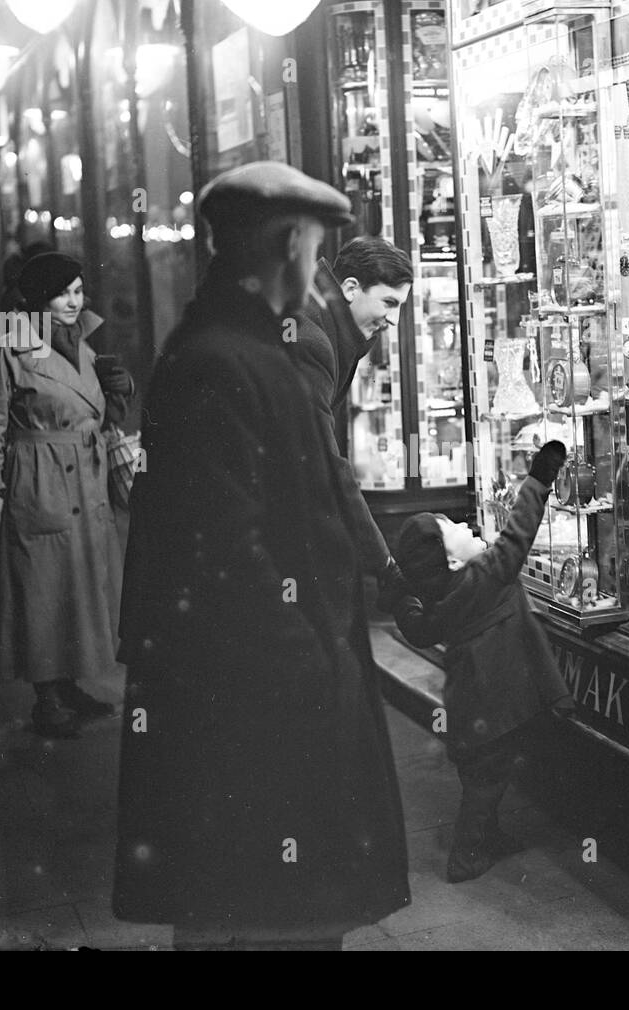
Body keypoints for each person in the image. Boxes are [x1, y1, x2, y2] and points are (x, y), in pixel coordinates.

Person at [112, 162, 411, 951]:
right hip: (263, 702)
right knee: (270, 912)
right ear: (283, 249)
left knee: (271, 906)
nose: (315, 270)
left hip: (267, 693)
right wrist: (315, 666)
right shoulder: (224, 358)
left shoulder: (240, 345)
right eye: (311, 250)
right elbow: (226, 550)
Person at [392, 441, 575, 883]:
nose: (465, 521)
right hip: (495, 708)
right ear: (452, 559)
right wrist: (539, 479)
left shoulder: (443, 598)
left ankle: (486, 838)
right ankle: (466, 854)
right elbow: (517, 535)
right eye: (453, 526)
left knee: (483, 776)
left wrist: (399, 594)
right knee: (486, 782)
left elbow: (417, 627)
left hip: (474, 707)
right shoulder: (483, 576)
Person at [0, 251, 133, 738]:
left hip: (84, 474)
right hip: (37, 477)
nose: (73, 301)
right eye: (63, 292)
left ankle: (71, 684)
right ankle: (47, 697)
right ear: (38, 296)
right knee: (42, 588)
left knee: (80, 585)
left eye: (79, 291)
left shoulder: (80, 342)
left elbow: (89, 409)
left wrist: (115, 399)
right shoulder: (8, 346)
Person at [289, 237, 415, 607]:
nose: (394, 320)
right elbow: (324, 463)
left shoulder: (321, 320)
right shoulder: (311, 338)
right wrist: (385, 564)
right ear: (349, 288)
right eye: (389, 302)